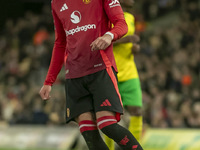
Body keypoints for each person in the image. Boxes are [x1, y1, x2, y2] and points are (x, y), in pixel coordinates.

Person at [39, 0, 143, 150]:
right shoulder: (56, 3)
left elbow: (121, 23)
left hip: (100, 69)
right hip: (74, 74)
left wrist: (109, 35)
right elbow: (60, 42)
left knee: (107, 125)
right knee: (88, 133)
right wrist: (49, 81)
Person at [104, 0, 143, 149]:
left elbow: (129, 44)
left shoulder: (130, 18)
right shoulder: (107, 16)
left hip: (130, 71)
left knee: (137, 111)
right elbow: (100, 42)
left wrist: (134, 48)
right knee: (109, 116)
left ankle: (137, 146)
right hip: (110, 72)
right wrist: (126, 40)